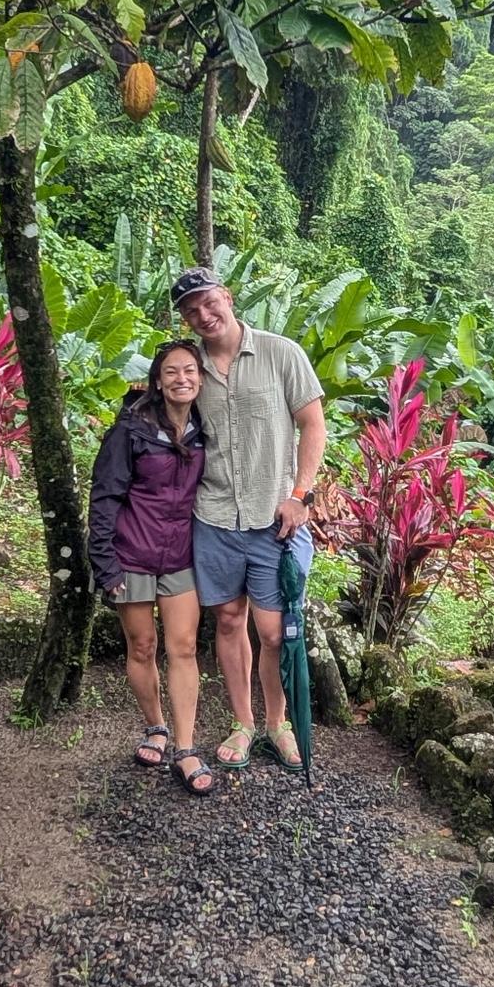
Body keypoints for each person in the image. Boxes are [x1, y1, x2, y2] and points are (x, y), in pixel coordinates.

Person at [170, 266, 326, 774]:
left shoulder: (282, 353)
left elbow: (312, 425)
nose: (203, 315)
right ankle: (243, 722)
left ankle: (278, 722)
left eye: (209, 302)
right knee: (230, 621)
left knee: (275, 631)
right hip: (213, 517)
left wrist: (301, 494)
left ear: (228, 297)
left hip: (272, 518)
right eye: (191, 310)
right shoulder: (191, 369)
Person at [88, 339, 214, 796]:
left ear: (201, 378)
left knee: (183, 647)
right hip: (131, 555)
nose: (182, 379)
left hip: (180, 554)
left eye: (190, 371)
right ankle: (155, 727)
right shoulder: (131, 429)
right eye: (172, 372)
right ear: (158, 382)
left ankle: (185, 748)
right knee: (142, 646)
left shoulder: (205, 427)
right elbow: (104, 496)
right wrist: (105, 563)